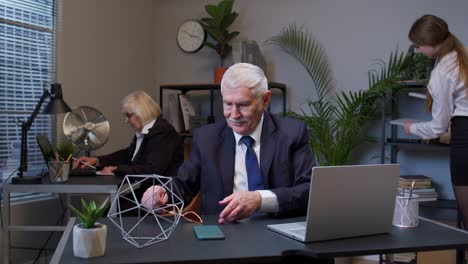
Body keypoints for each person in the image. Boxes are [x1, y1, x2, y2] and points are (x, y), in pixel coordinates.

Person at [141, 63, 315, 223]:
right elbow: (183, 184)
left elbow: (308, 190)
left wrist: (260, 199)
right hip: (223, 233)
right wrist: (162, 193)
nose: (234, 114)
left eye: (243, 105)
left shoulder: (292, 133)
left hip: (278, 232)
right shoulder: (206, 138)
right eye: (227, 104)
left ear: (265, 100)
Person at [403, 14, 468, 229]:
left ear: (431, 44)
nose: (419, 50)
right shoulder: (462, 56)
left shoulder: (442, 72)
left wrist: (413, 128)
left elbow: (438, 127)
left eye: (419, 45)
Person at [73, 90, 184, 199]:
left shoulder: (163, 133)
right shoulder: (147, 131)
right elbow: (128, 155)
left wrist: (117, 169)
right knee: (112, 209)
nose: (126, 120)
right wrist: (97, 160)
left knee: (110, 212)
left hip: (163, 197)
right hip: (151, 192)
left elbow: (152, 170)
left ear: (141, 112)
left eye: (128, 115)